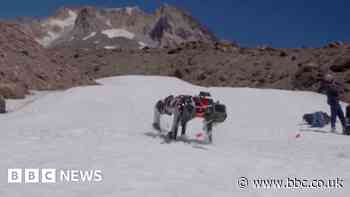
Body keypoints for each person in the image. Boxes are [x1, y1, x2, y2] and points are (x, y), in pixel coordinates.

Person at [153, 92, 227, 142]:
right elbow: (176, 122)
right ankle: (156, 123)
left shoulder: (208, 108)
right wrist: (173, 134)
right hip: (177, 103)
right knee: (160, 106)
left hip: (184, 107)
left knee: (182, 118)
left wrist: (209, 138)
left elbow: (209, 122)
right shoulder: (182, 105)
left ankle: (157, 124)